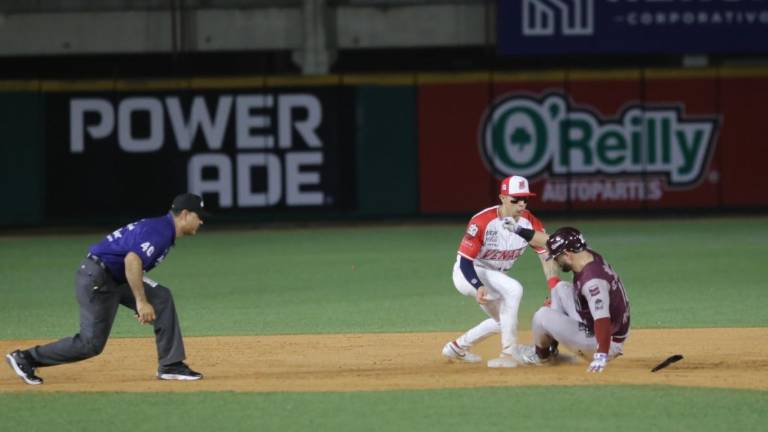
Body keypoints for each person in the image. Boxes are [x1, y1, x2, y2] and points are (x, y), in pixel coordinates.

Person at [5, 193, 208, 385]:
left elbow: (130, 263)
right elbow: (132, 260)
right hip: (99, 278)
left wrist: (144, 298)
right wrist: (140, 301)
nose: (201, 222)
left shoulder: (160, 227)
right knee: (90, 344)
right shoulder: (160, 231)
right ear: (185, 214)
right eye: (199, 217)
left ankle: (170, 365)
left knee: (161, 297)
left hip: (114, 276)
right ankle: (26, 358)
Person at [441, 175, 560, 368]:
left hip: (496, 277)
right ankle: (509, 354)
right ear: (502, 197)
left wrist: (554, 287)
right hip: (470, 273)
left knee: (503, 321)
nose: (521, 204)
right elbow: (465, 261)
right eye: (515, 199)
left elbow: (546, 255)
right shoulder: (482, 221)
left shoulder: (530, 222)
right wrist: (477, 285)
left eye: (525, 199)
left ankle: (456, 348)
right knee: (514, 289)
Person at [518, 227, 630, 373]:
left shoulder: (593, 282)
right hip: (608, 328)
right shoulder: (585, 253)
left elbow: (602, 320)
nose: (556, 261)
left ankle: (541, 357)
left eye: (557, 257)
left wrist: (601, 355)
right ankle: (552, 348)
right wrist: (518, 230)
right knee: (560, 288)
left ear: (567, 254)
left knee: (542, 316)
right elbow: (549, 241)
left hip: (605, 341)